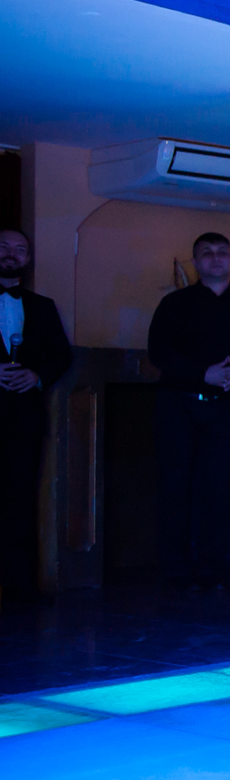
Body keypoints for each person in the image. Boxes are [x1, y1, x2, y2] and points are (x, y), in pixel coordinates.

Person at [147, 233, 230, 589]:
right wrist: (203, 373)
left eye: (223, 252)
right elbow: (158, 351)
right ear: (196, 262)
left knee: (218, 487)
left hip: (227, 407)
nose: (216, 257)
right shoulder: (175, 303)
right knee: (174, 485)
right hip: (178, 405)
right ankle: (174, 570)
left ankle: (210, 570)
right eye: (207, 253)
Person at [0, 231, 72, 606]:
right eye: (3, 247)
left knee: (20, 499)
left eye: (19, 249)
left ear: (27, 258)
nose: (11, 254)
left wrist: (36, 376)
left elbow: (62, 355)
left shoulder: (42, 306)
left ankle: (20, 588)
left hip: (23, 418)